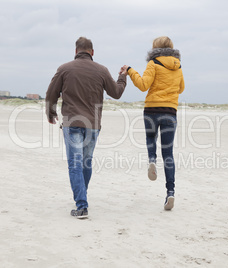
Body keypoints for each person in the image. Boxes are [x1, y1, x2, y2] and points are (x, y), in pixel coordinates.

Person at [46, 37, 127, 219]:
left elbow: (51, 93)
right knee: (85, 162)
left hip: (72, 123)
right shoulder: (102, 70)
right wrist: (122, 77)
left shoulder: (64, 69)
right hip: (93, 124)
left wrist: (50, 113)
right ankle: (82, 197)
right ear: (92, 52)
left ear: (76, 51)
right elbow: (116, 93)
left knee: (75, 164)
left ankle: (81, 204)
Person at [121, 36, 185, 210]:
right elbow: (181, 88)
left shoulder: (153, 63)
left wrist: (130, 70)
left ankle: (151, 160)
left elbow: (143, 85)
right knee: (168, 153)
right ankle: (170, 192)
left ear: (155, 48)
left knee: (150, 138)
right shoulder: (177, 66)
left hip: (152, 110)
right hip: (170, 112)